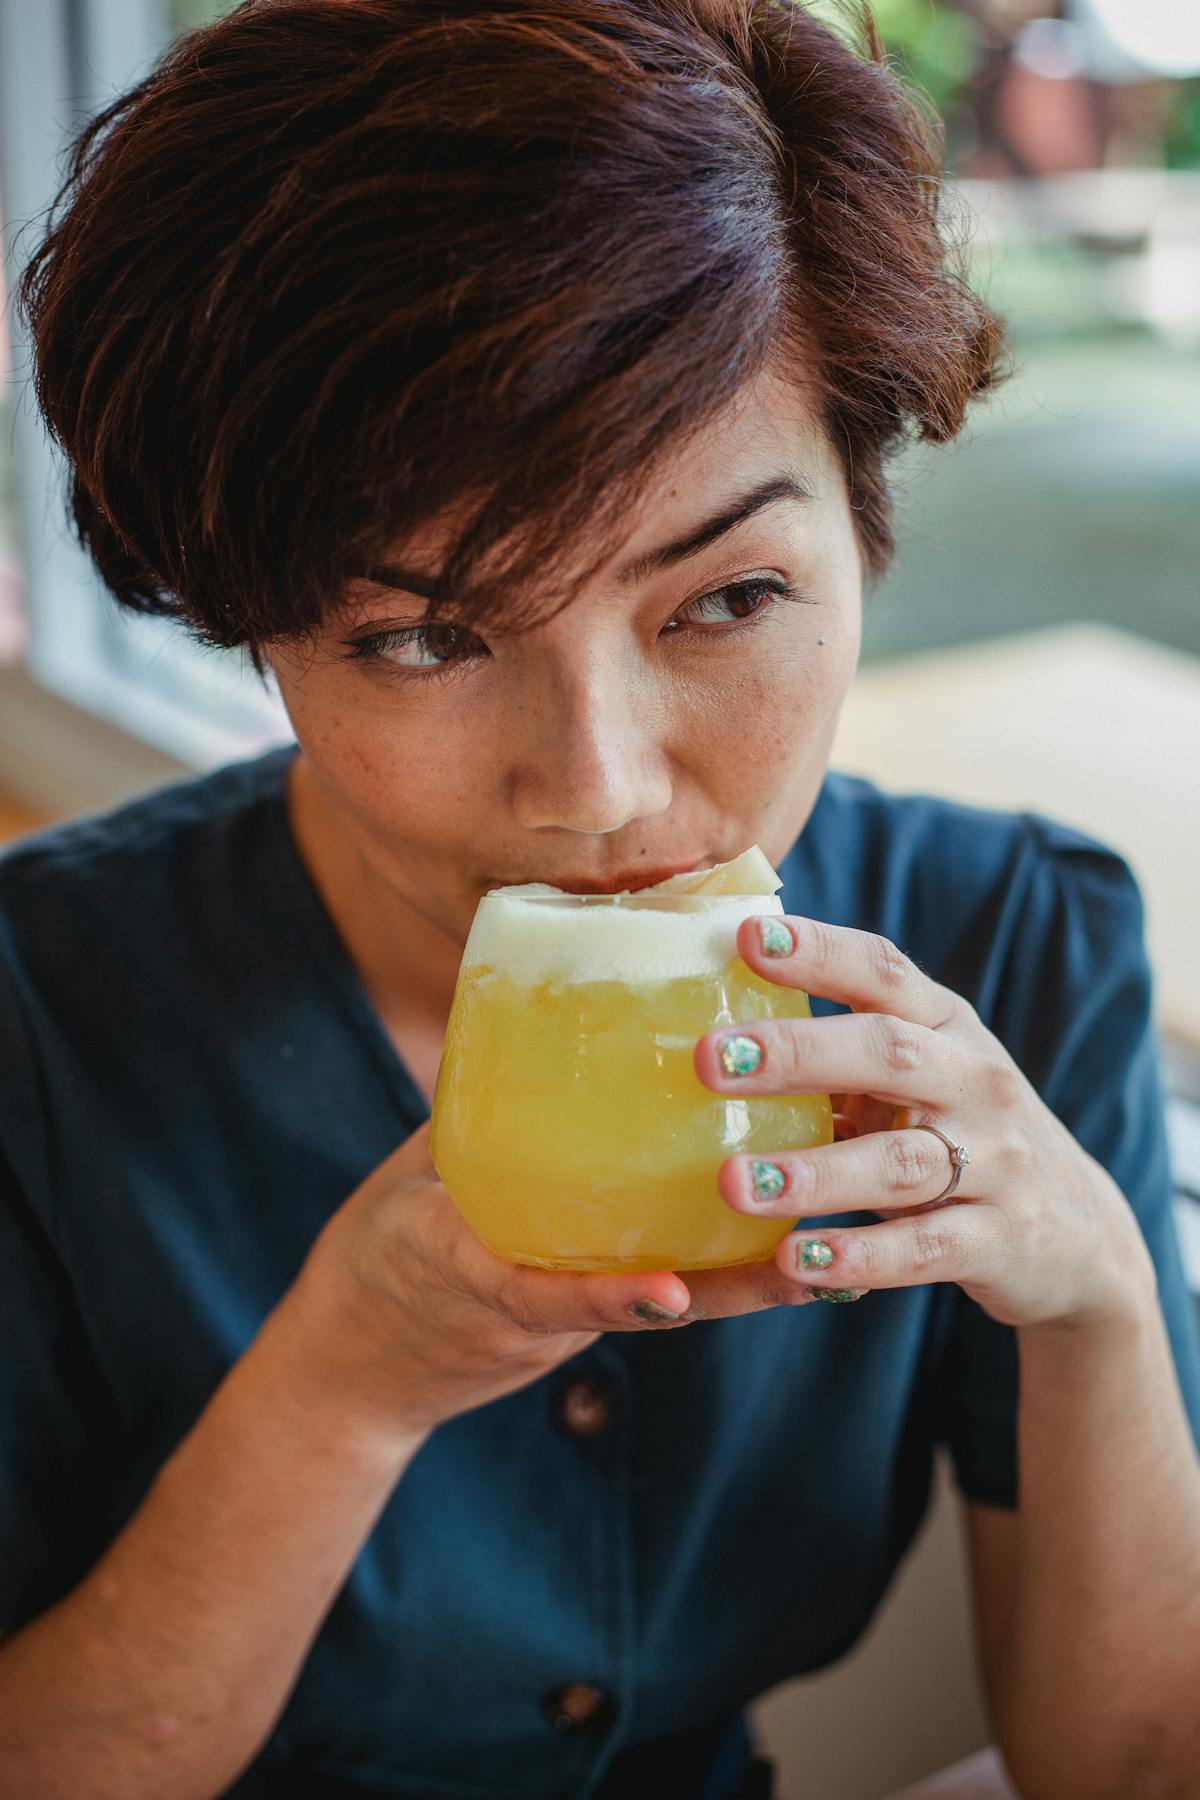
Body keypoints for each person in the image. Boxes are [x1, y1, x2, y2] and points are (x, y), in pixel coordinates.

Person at [2, 2, 1199, 1796]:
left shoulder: (1012, 947)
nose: (601, 787)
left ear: (863, 528)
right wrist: (345, 1385)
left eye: (725, 599)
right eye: (421, 639)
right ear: (251, 633)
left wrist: (1098, 1295)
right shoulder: (38, 1019)